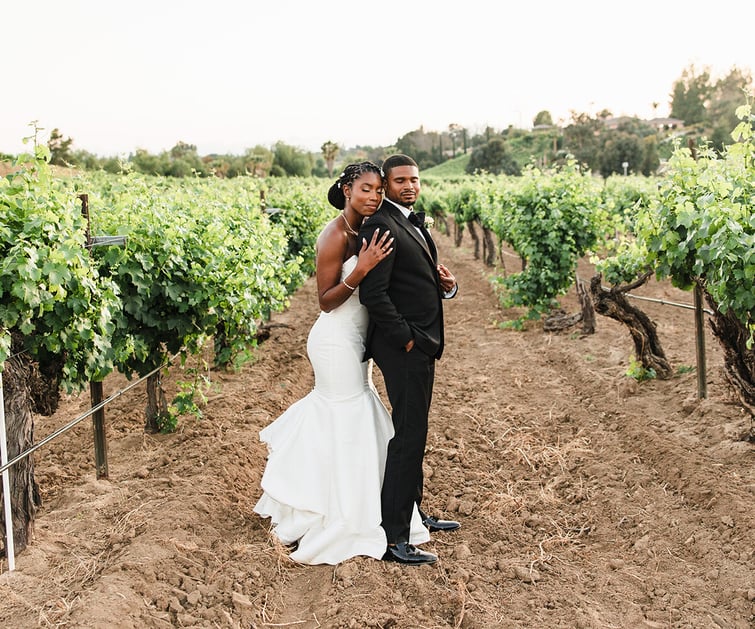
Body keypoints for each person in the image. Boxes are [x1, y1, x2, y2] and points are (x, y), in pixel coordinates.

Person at [253, 161, 429, 565]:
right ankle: (337, 512)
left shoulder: (365, 230)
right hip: (334, 339)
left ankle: (369, 506)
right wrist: (361, 269)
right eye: (365, 189)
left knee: (358, 418)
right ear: (347, 189)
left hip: (357, 340)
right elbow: (326, 300)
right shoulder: (333, 235)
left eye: (378, 190)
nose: (374, 196)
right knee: (345, 417)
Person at [358, 154, 460, 566]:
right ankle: (394, 536)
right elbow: (373, 294)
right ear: (387, 182)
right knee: (408, 435)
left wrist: (446, 288)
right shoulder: (381, 223)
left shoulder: (409, 219)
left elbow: (415, 281)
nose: (410, 186)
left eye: (414, 179)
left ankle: (415, 516)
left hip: (420, 342)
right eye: (400, 180)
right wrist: (406, 341)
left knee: (415, 430)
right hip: (407, 347)